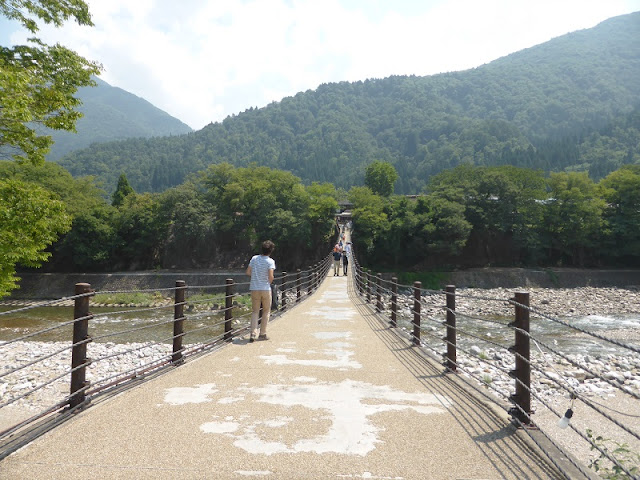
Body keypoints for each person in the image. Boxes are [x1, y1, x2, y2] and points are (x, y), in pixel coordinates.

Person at [245, 240, 276, 342]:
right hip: (265, 288)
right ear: (271, 251)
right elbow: (271, 277)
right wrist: (268, 281)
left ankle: (253, 333)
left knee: (255, 311)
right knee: (266, 311)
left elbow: (248, 272)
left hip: (254, 288)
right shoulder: (270, 261)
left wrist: (255, 277)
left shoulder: (254, 259)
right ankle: (262, 334)